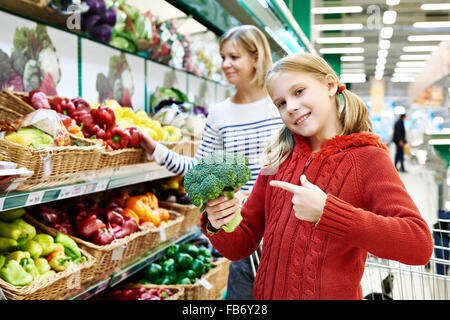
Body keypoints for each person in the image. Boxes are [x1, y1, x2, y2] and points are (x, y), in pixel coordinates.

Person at [202, 52, 433, 299]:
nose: (290, 106)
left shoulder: (368, 158)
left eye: (299, 91)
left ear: (330, 85)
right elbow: (242, 244)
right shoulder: (279, 157)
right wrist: (220, 221)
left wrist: (328, 212)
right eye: (280, 102)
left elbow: (418, 244)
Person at [138, 25, 284, 299]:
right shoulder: (219, 113)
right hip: (245, 234)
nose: (225, 64)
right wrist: (155, 150)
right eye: (222, 57)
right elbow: (200, 170)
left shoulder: (280, 104)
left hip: (285, 230)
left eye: (234, 57)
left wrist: (254, 195)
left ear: (255, 57)